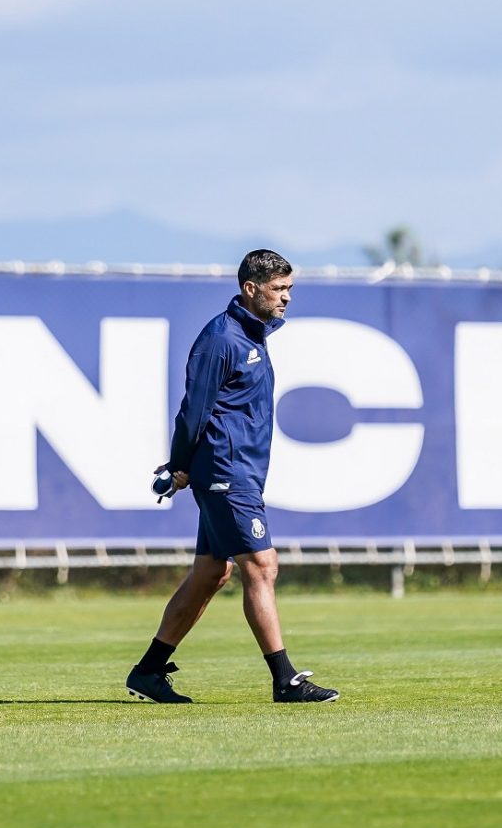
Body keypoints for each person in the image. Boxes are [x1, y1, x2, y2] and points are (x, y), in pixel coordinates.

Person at [125, 249, 340, 704]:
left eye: (289, 289)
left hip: (240, 472)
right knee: (262, 565)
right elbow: (193, 411)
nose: (286, 297)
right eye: (278, 289)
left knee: (211, 573)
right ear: (250, 288)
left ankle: (147, 672)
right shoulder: (221, 340)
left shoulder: (253, 335)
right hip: (226, 471)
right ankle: (285, 680)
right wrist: (178, 465)